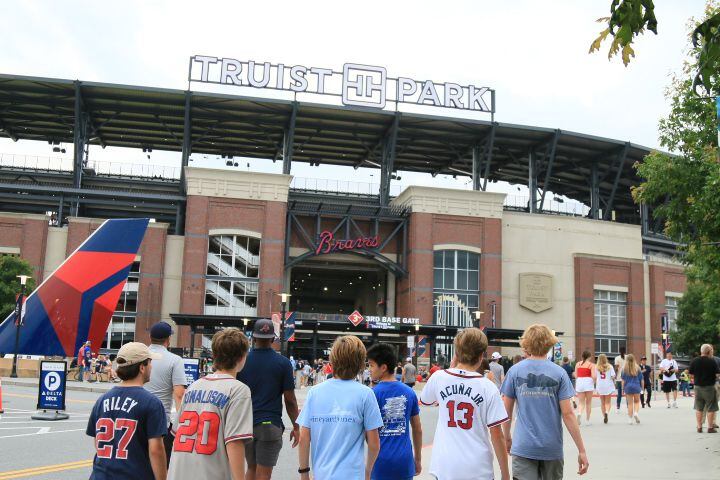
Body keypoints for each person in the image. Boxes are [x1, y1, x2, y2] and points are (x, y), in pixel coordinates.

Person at [420, 328, 510, 480]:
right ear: (481, 356)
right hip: (477, 467)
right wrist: (505, 474)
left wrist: (452, 366)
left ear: (456, 353)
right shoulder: (488, 387)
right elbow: (496, 434)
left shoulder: (439, 378)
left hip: (445, 465)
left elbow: (425, 400)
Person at [501, 324, 589, 479]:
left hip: (523, 446)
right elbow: (568, 414)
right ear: (549, 344)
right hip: (551, 448)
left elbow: (506, 412)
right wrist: (581, 450)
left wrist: (507, 438)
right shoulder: (559, 373)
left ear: (526, 343)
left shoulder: (514, 371)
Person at [168, 328, 253, 479]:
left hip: (179, 472)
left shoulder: (194, 386)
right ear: (242, 357)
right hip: (210, 473)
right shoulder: (239, 390)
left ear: (214, 355)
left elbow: (176, 433)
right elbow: (234, 442)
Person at [297, 336, 382, 480]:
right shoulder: (366, 394)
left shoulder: (315, 393)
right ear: (361, 364)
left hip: (321, 475)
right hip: (353, 475)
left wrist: (304, 474)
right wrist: (367, 472)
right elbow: (374, 444)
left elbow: (304, 438)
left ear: (332, 360)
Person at [86, 342, 166, 480]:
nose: (151, 367)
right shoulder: (152, 403)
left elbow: (97, 441)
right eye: (150, 362)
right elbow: (156, 450)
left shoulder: (102, 400)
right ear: (142, 367)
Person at [236, 318, 300, 480]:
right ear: (273, 338)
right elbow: (290, 400)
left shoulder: (241, 361)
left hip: (246, 424)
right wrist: (296, 426)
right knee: (264, 474)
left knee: (251, 468)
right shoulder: (283, 363)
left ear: (253, 338)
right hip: (270, 424)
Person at [366, 343, 422, 480]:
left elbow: (367, 433)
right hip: (404, 461)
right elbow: (417, 428)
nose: (369, 369)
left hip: (380, 462)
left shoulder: (372, 394)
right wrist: (418, 459)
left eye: (371, 365)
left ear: (383, 367)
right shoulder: (409, 392)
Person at [144, 321, 187, 465]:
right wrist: (181, 422)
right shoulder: (175, 360)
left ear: (150, 337)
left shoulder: (139, 354)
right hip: (160, 419)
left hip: (135, 414)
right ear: (168, 339)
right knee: (159, 463)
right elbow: (179, 394)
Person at [689, 344, 719, 433]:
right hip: (709, 387)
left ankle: (699, 427)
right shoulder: (712, 361)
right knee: (711, 407)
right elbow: (717, 374)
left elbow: (691, 374)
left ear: (701, 351)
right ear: (709, 351)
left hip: (698, 387)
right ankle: (710, 427)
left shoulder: (694, 361)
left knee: (699, 407)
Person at [574, 350, 596, 426]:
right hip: (588, 382)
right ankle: (587, 420)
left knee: (581, 402)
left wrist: (579, 380)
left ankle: (579, 413)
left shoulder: (578, 364)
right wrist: (594, 381)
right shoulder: (591, 365)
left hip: (580, 381)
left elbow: (575, 375)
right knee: (588, 403)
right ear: (589, 357)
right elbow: (593, 376)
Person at [621, 354, 644, 425]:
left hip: (628, 387)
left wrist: (623, 389)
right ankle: (636, 413)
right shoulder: (638, 368)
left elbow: (623, 380)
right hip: (636, 386)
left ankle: (630, 419)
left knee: (630, 404)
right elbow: (642, 380)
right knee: (637, 402)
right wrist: (642, 388)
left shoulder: (624, 369)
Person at [595, 354, 616, 424]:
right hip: (608, 385)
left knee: (602, 402)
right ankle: (607, 412)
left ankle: (604, 416)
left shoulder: (596, 367)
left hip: (600, 385)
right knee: (608, 402)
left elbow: (595, 377)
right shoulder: (610, 366)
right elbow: (613, 376)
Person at [614, 347, 626, 413]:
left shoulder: (617, 358)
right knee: (627, 393)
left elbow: (616, 368)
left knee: (619, 394)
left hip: (619, 378)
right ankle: (628, 407)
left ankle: (618, 408)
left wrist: (615, 375)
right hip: (627, 378)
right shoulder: (627, 357)